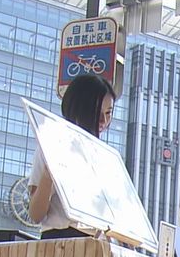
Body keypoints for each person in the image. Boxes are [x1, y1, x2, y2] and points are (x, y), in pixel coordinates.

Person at [28, 73, 117, 240]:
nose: (104, 120)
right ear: (79, 108)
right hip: (59, 242)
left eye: (108, 113)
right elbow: (35, 214)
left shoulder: (107, 159)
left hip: (96, 244)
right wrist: (48, 175)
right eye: (97, 112)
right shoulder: (52, 146)